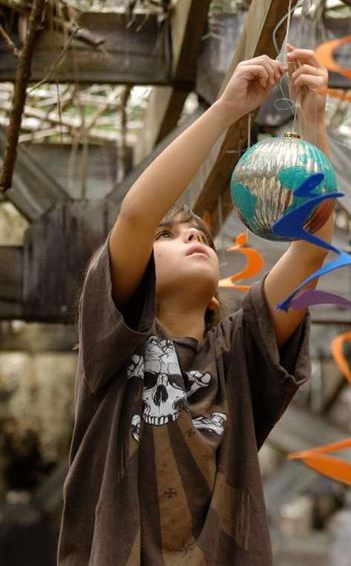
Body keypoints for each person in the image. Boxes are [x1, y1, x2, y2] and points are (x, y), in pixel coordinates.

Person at [57, 46, 334, 565]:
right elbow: (137, 214)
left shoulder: (239, 356)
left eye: (201, 234)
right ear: (139, 271)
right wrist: (228, 108)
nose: (193, 238)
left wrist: (314, 126)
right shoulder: (112, 343)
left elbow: (312, 250)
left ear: (214, 297)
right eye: (171, 235)